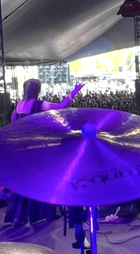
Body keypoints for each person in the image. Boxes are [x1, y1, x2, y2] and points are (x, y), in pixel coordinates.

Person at [5, 79, 84, 225]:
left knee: (22, 181)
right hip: (37, 147)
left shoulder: (19, 105)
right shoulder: (38, 104)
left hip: (22, 148)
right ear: (38, 90)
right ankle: (45, 214)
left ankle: (18, 217)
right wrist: (74, 92)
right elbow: (61, 106)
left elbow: (13, 122)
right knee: (43, 178)